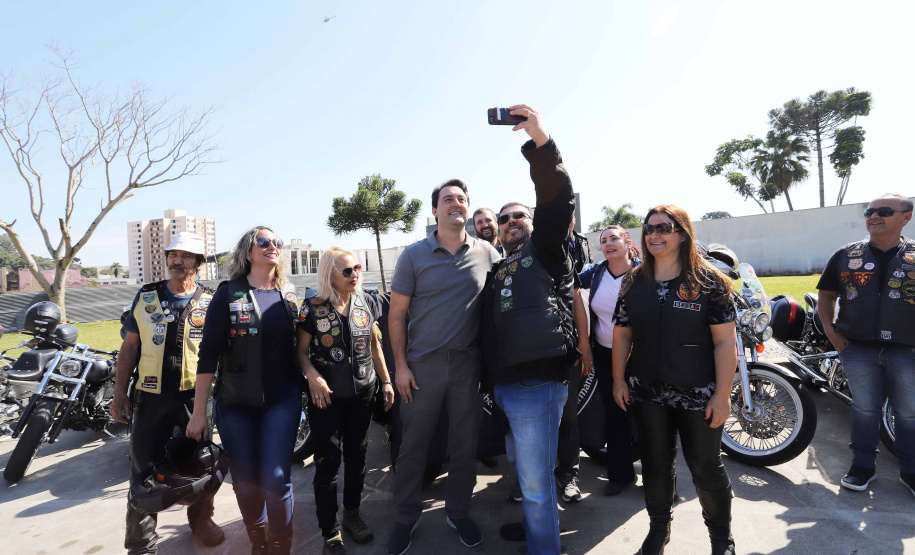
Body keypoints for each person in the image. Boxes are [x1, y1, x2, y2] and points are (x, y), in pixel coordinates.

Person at [612, 205, 737, 555]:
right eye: (649, 229)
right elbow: (622, 333)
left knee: (705, 467)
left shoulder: (709, 281)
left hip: (699, 393)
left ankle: (721, 540)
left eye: (664, 228)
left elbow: (725, 341)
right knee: (655, 463)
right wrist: (619, 380)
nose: (654, 235)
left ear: (682, 233)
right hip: (648, 390)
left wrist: (723, 395)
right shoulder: (633, 281)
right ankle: (658, 530)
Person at [387, 179, 501, 554]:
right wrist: (400, 367)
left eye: (462, 198)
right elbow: (397, 315)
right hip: (422, 367)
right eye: (448, 199)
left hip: (468, 366)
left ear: (468, 209)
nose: (456, 203)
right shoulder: (413, 255)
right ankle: (406, 517)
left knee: (465, 445)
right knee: (413, 446)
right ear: (435, 210)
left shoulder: (487, 253)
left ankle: (459, 511)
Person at [483, 105, 577, 555]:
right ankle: (538, 529)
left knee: (538, 485)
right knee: (529, 479)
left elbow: (557, 197)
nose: (511, 222)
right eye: (504, 220)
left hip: (536, 384)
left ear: (533, 222)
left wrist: (539, 139)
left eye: (519, 215)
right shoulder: (499, 268)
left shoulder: (546, 249)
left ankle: (544, 546)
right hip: (505, 388)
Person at [188, 226, 302, 554]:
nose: (272, 246)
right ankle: (259, 539)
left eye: (276, 242)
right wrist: (199, 414)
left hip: (282, 399)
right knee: (245, 482)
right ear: (248, 252)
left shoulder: (288, 293)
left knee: (276, 478)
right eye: (263, 242)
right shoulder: (228, 293)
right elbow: (208, 354)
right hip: (235, 402)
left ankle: (280, 544)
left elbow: (301, 348)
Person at [110, 231, 225, 554]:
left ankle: (201, 521)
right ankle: (141, 543)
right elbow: (129, 347)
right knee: (142, 468)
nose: (177, 261)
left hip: (195, 398)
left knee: (200, 463)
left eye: (186, 256)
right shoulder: (146, 297)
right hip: (151, 397)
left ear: (199, 264)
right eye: (173, 255)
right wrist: (120, 393)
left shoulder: (211, 301)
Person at [297, 247, 395, 555]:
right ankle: (331, 531)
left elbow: (375, 344)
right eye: (347, 271)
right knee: (328, 463)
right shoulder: (311, 307)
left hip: (362, 395)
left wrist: (386, 380)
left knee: (358, 457)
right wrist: (312, 376)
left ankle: (352, 514)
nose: (354, 275)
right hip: (326, 399)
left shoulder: (367, 300)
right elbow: (299, 351)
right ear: (330, 275)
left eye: (357, 268)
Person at [816, 193, 915, 496]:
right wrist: (834, 335)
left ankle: (910, 471)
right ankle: (862, 466)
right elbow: (826, 296)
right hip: (858, 348)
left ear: (906, 217)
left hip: (907, 350)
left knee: (909, 412)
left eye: (884, 211)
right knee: (865, 410)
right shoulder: (847, 255)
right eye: (870, 211)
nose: (874, 216)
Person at [578, 225, 640, 496]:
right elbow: (566, 280)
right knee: (616, 414)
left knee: (651, 417)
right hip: (604, 353)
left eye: (614, 238)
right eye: (603, 241)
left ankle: (662, 480)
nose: (608, 244)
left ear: (627, 241)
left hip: (641, 356)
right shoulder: (597, 272)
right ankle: (620, 474)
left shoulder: (645, 272)